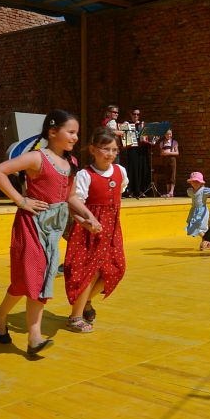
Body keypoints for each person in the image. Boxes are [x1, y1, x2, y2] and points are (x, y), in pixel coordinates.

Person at [0, 109, 86, 357]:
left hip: (53, 229)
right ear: (52, 132)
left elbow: (70, 196)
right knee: (35, 281)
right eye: (71, 132)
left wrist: (87, 217)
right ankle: (34, 338)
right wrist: (21, 200)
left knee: (28, 282)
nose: (75, 138)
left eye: (76, 133)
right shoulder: (36, 158)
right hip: (31, 226)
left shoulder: (72, 163)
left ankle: (0, 315)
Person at [63, 126, 128, 333]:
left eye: (114, 150)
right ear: (93, 149)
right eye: (105, 149)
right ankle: (75, 317)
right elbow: (75, 203)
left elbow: (119, 191)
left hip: (111, 229)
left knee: (117, 268)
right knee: (90, 273)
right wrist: (87, 222)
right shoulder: (85, 175)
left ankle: (85, 302)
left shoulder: (120, 171)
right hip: (89, 231)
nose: (110, 154)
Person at [121, 108, 150, 198]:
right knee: (132, 169)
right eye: (134, 114)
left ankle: (141, 190)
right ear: (131, 114)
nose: (136, 116)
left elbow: (148, 138)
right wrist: (124, 127)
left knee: (142, 169)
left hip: (142, 150)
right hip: (132, 149)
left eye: (138, 114)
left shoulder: (143, 124)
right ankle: (131, 190)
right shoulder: (127, 124)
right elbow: (125, 140)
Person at [186, 171, 210, 249]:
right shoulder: (190, 191)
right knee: (192, 226)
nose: (195, 183)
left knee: (198, 227)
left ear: (201, 183)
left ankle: (208, 241)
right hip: (194, 210)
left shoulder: (204, 190)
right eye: (193, 181)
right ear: (190, 182)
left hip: (202, 211)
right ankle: (207, 243)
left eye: (197, 181)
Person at [159, 129, 179, 197]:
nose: (169, 135)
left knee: (172, 174)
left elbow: (177, 153)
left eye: (170, 134)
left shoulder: (174, 142)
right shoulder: (162, 143)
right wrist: (163, 153)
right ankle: (168, 191)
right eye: (167, 134)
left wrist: (169, 153)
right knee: (167, 174)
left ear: (172, 134)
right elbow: (161, 153)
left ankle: (171, 191)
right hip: (165, 159)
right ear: (165, 135)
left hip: (172, 159)